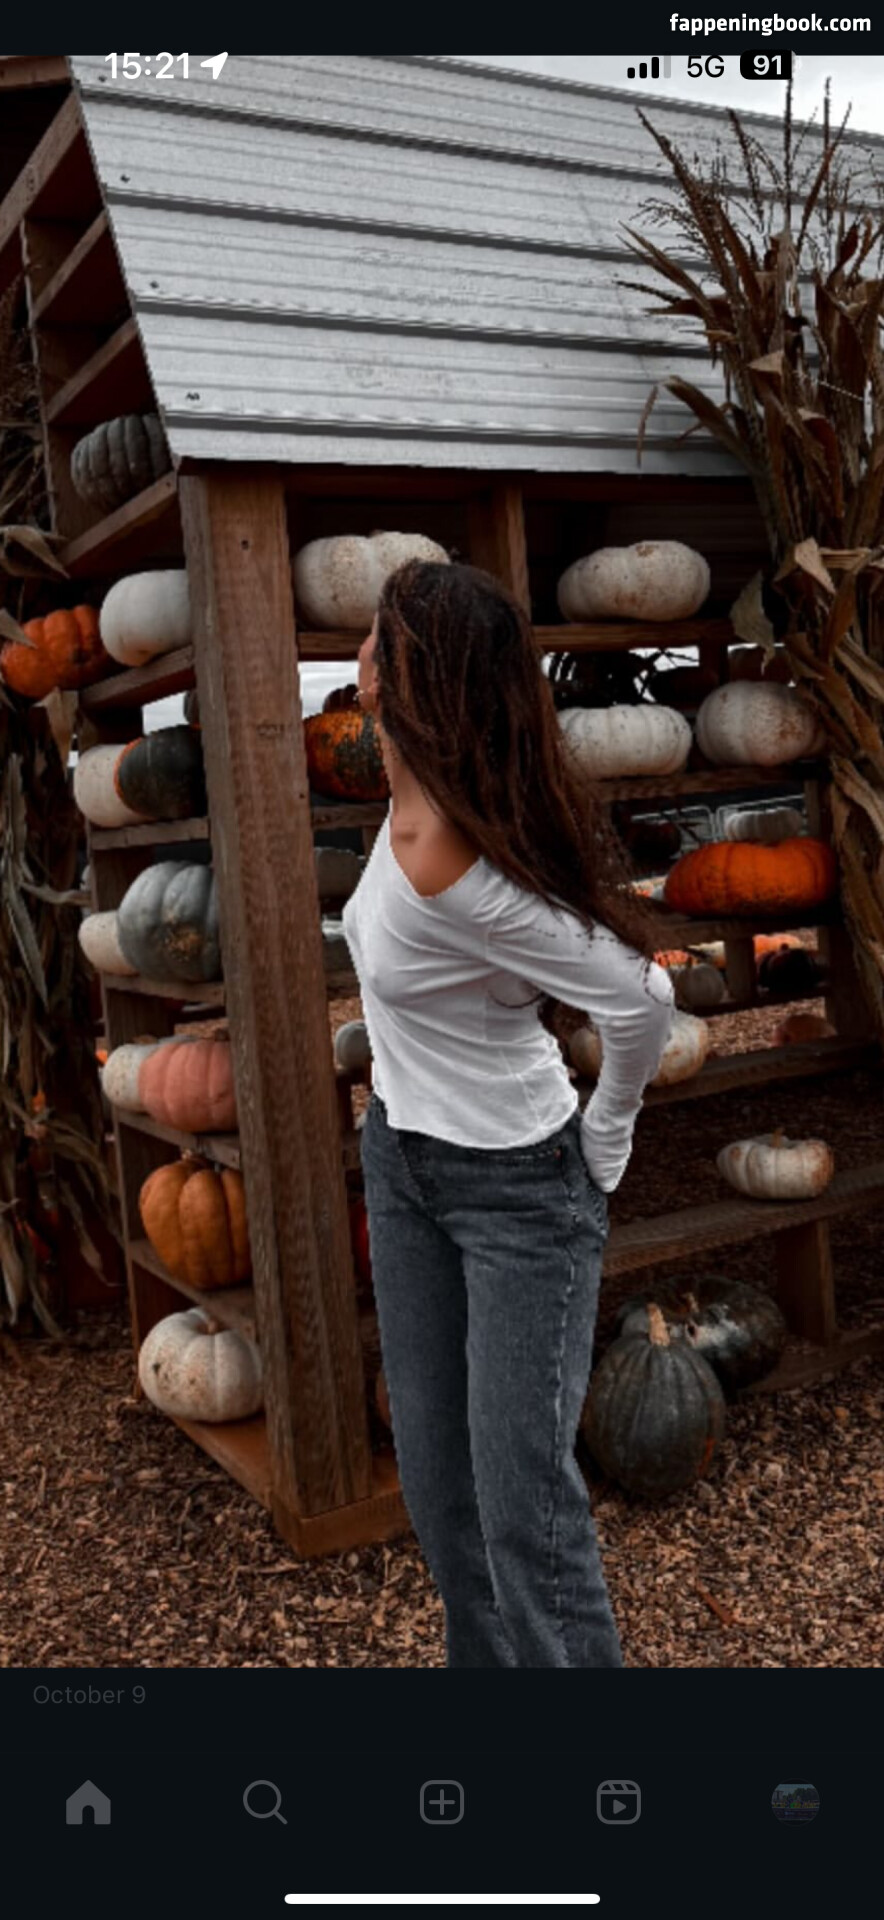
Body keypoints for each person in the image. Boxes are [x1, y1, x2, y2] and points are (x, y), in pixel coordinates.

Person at [341, 559, 674, 1668]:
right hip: (403, 1164)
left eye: (377, 635)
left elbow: (642, 998)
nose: (359, 650)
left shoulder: (450, 857)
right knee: (441, 1494)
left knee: (523, 1512)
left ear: (407, 675)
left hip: (518, 1191)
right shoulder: (411, 794)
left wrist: (606, 1135)